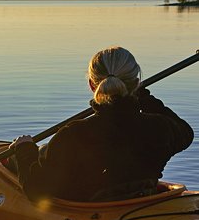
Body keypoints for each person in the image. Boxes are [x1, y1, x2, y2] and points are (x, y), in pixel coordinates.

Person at [11, 46, 194, 202]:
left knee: (39, 153)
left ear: (92, 85)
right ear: (137, 83)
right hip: (141, 199)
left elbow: (37, 191)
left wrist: (25, 151)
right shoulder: (160, 128)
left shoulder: (73, 135)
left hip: (91, 209)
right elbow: (185, 132)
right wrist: (143, 97)